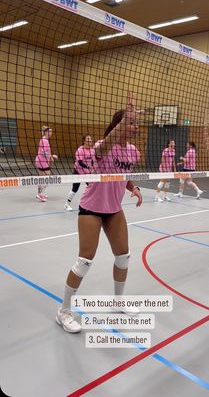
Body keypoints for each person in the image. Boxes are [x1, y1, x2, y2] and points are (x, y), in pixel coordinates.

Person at [56, 94, 143, 333]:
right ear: (119, 125)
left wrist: (133, 188)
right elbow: (107, 144)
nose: (136, 127)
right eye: (131, 123)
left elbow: (123, 174)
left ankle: (118, 301)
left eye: (136, 123)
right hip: (91, 209)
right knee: (84, 261)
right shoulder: (102, 146)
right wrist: (124, 119)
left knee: (123, 256)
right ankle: (63, 312)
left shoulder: (133, 152)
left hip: (114, 210)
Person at [64, 135, 96, 211]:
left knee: (92, 188)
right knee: (75, 189)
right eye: (88, 139)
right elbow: (80, 162)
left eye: (91, 139)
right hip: (78, 172)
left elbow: (92, 160)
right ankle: (67, 204)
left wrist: (92, 167)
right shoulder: (80, 150)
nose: (90, 141)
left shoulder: (92, 150)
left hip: (87, 173)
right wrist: (88, 167)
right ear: (84, 141)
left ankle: (89, 204)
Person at [35, 126, 58, 202]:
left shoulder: (44, 140)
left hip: (40, 161)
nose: (51, 133)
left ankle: (40, 194)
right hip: (42, 162)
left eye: (51, 131)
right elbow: (43, 152)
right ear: (45, 132)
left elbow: (46, 152)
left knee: (41, 178)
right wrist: (52, 156)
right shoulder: (45, 141)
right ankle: (40, 194)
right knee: (47, 179)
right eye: (49, 131)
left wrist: (50, 158)